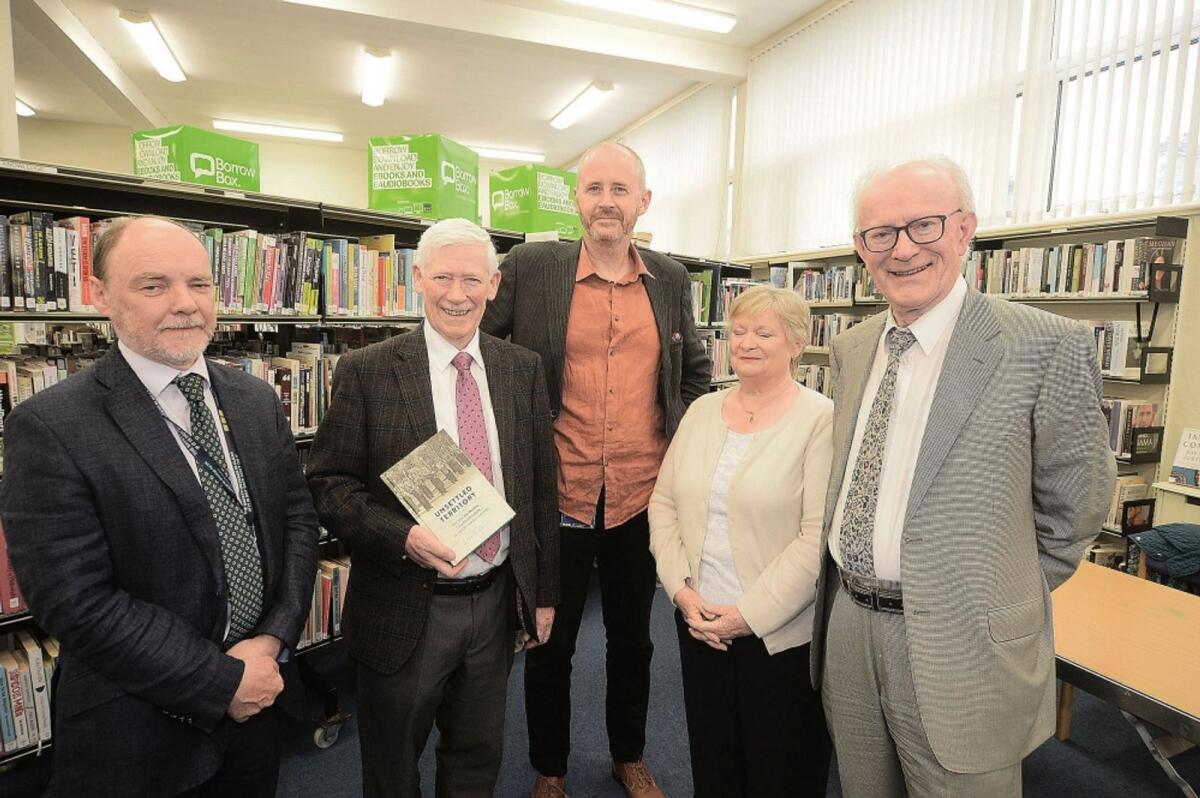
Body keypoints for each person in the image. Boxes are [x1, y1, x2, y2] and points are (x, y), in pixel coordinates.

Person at [810, 158, 1116, 797]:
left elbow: (1078, 506)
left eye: (924, 226)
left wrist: (993, 593)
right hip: (849, 624)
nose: (903, 250)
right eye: (880, 234)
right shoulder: (854, 347)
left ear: (965, 228)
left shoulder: (1043, 345)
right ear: (861, 248)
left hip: (965, 644)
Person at [0, 216, 320, 797]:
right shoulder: (50, 425)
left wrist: (272, 640)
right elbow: (75, 600)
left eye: (199, 284)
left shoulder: (253, 398)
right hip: (139, 731)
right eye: (153, 285)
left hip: (261, 704)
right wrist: (223, 681)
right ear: (101, 296)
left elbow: (296, 523)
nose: (185, 304)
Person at [481, 140, 710, 798]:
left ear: (643, 201)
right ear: (576, 199)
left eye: (620, 189)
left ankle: (629, 755)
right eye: (594, 188)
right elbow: (484, 349)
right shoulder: (531, 266)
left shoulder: (670, 278)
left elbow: (692, 374)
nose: (606, 201)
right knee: (549, 643)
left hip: (643, 496)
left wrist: (681, 447)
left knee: (633, 640)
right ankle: (549, 767)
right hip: (558, 493)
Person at [306, 217, 559, 798]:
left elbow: (540, 490)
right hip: (406, 604)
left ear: (494, 285)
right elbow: (329, 484)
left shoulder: (522, 369)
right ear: (417, 278)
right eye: (442, 276)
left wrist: (544, 593)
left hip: (495, 603)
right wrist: (402, 537)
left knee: (477, 758)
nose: (457, 293)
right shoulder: (368, 371)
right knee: (393, 767)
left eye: (473, 278)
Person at [648, 286, 833, 797]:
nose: (747, 343)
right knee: (714, 762)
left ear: (797, 342)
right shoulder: (703, 411)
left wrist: (745, 616)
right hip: (699, 625)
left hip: (780, 638)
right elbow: (663, 504)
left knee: (781, 770)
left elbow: (815, 539)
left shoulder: (821, 419)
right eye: (739, 331)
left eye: (764, 332)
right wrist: (683, 593)